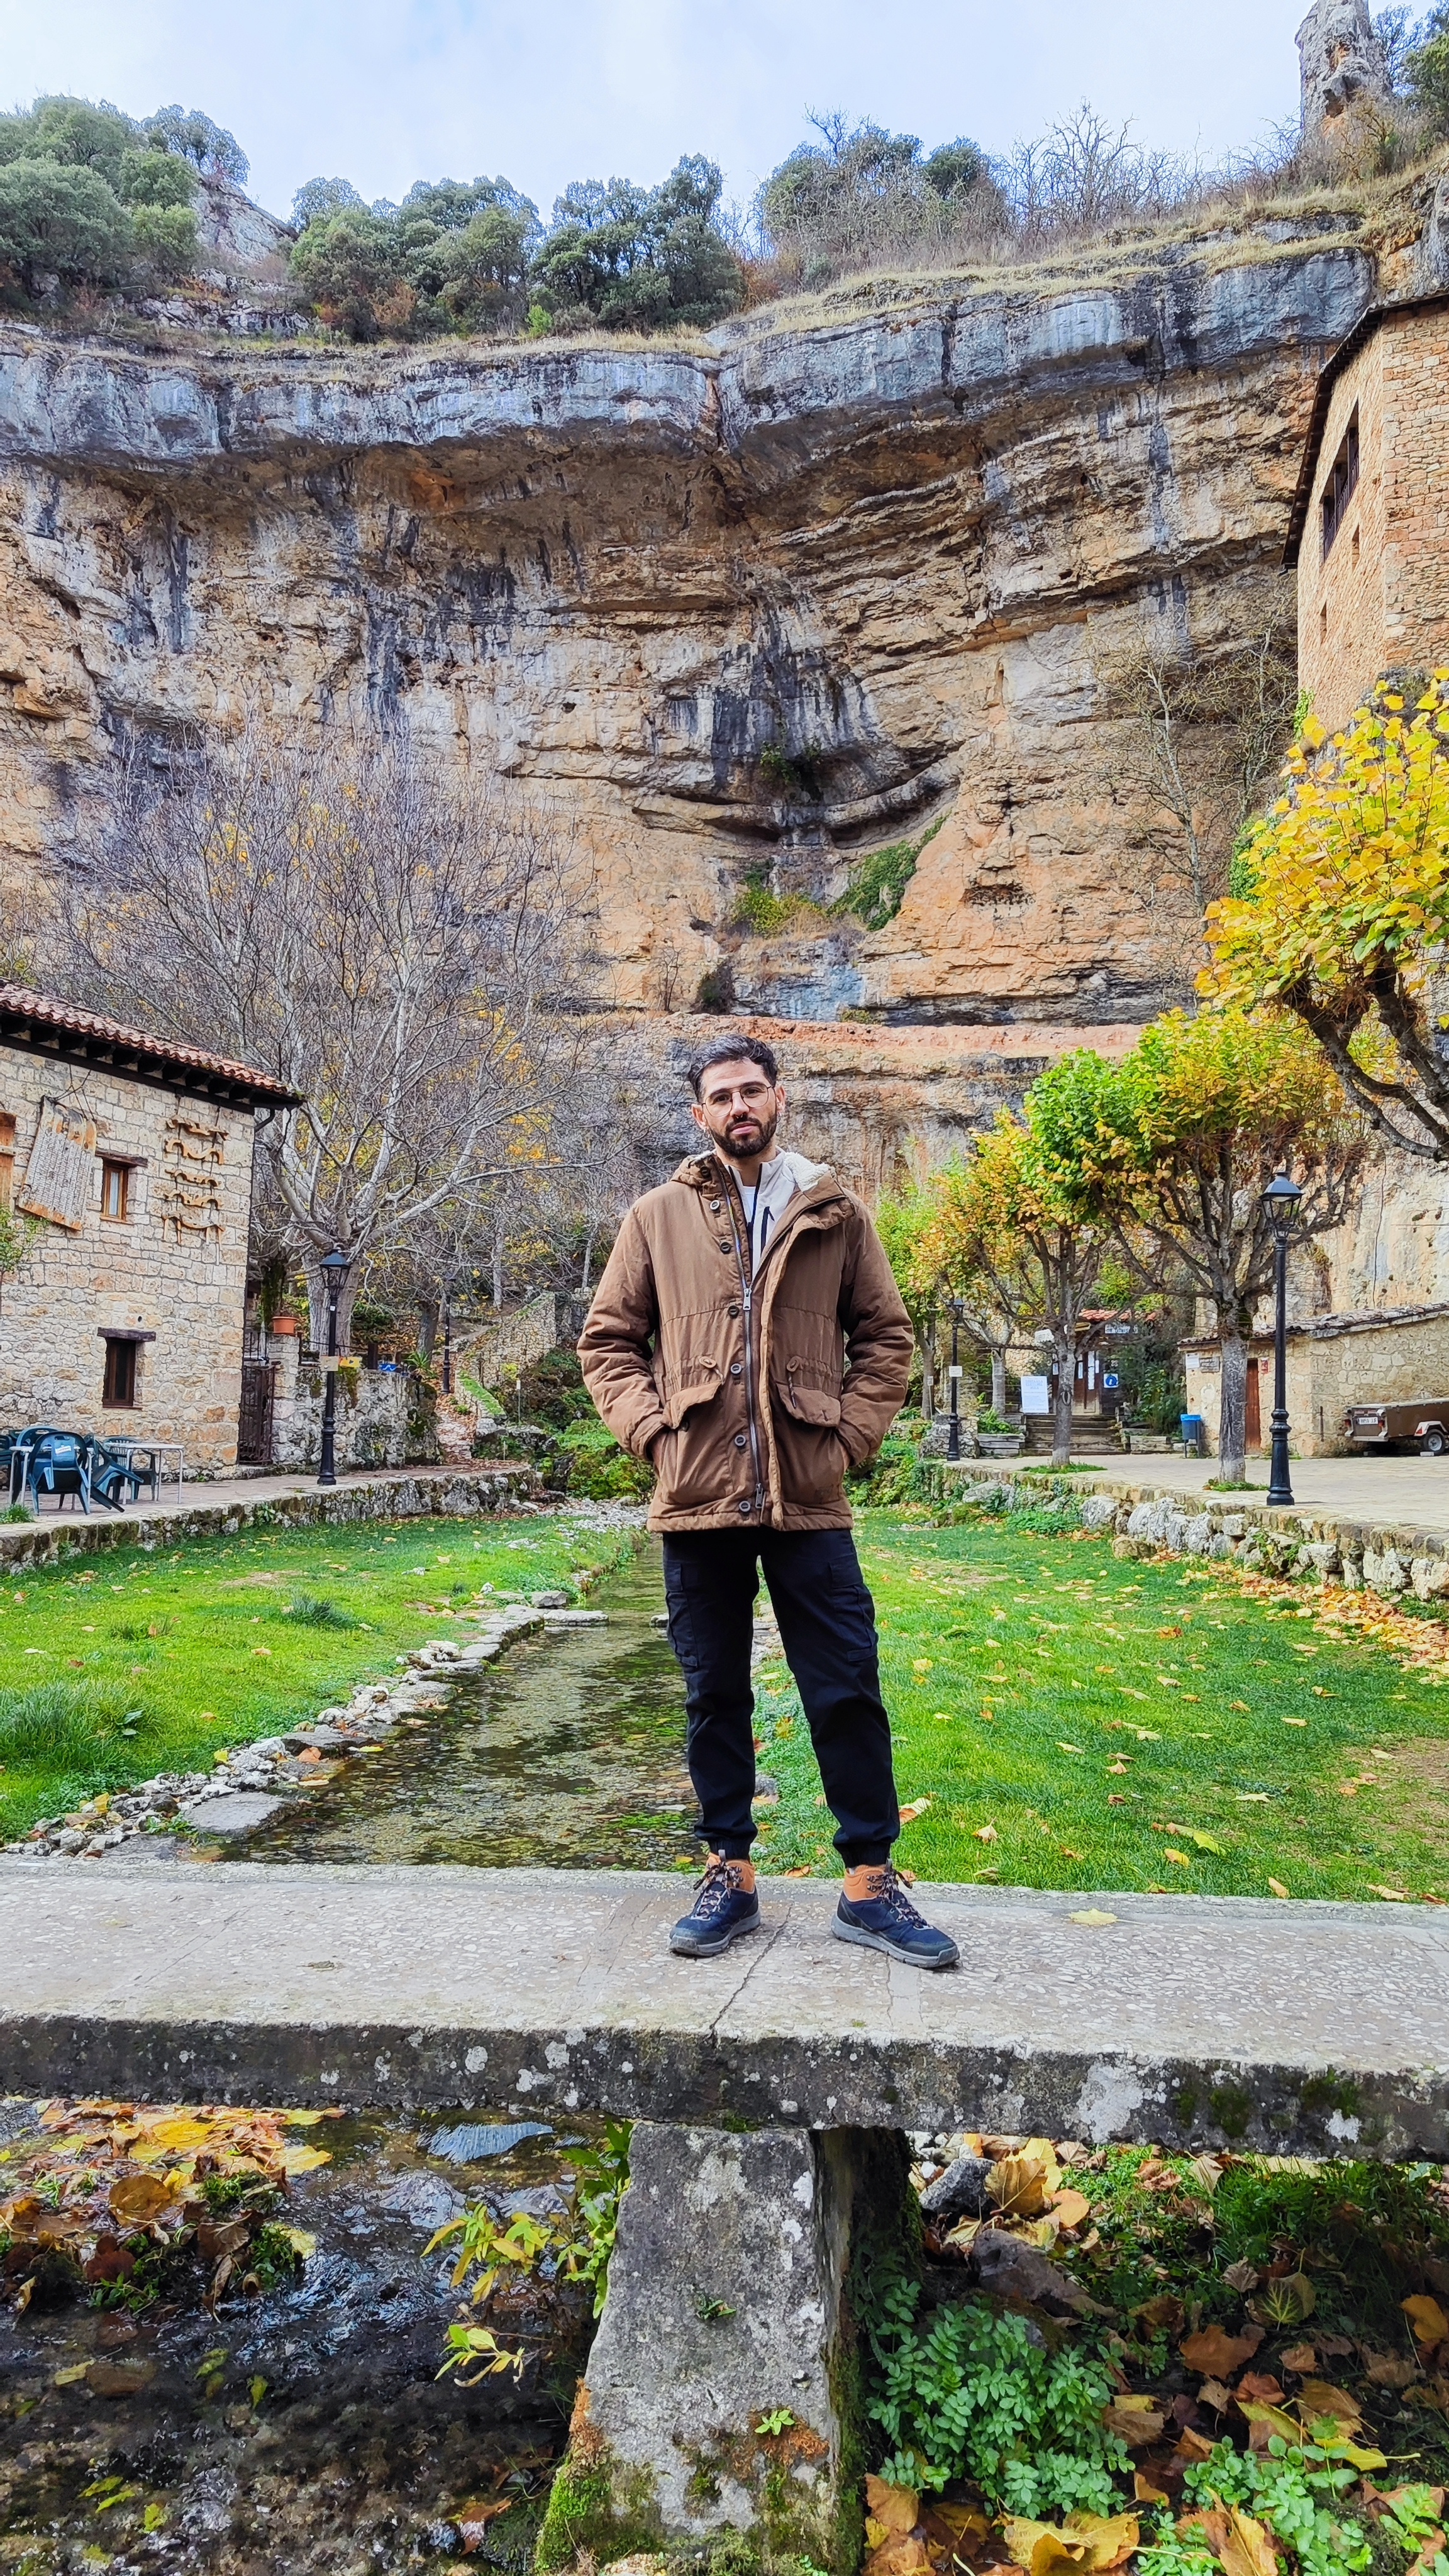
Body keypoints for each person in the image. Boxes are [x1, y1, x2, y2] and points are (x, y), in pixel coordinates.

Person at [578, 1032, 959, 1971]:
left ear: (779, 1098)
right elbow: (607, 1343)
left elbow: (886, 1338)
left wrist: (850, 1438)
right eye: (722, 1095)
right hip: (696, 1494)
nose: (740, 1106)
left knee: (846, 1687)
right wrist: (655, 1435)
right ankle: (728, 1872)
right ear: (700, 1115)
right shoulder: (655, 1217)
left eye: (753, 1089)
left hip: (809, 1498)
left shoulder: (835, 1213)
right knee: (714, 1692)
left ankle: (871, 1882)